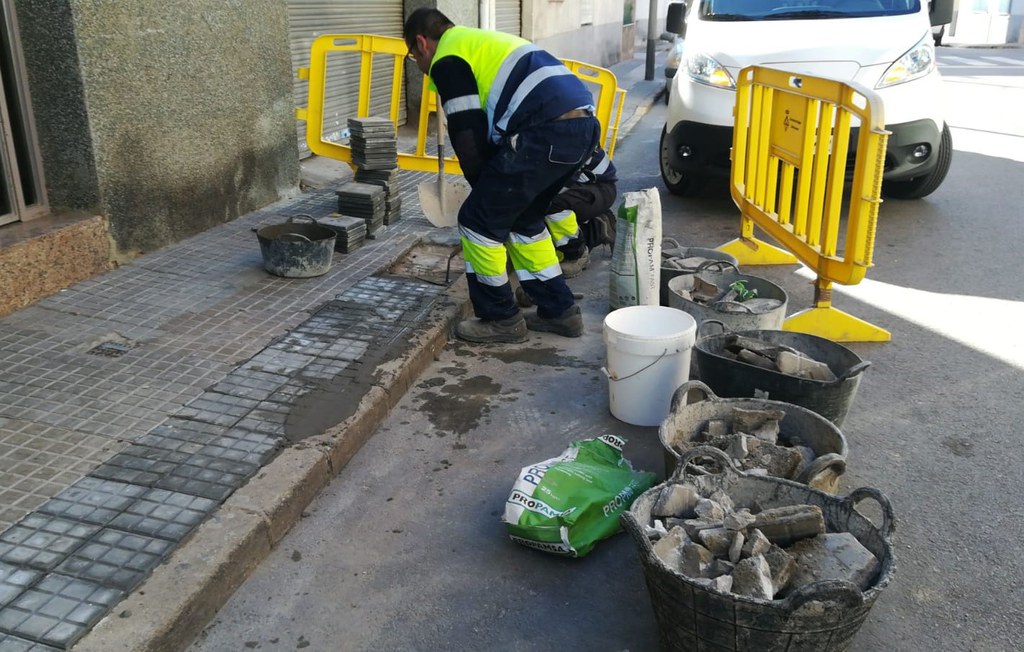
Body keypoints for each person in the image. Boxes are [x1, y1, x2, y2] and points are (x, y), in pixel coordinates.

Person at [404, 9, 601, 344]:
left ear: (422, 43)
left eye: (413, 56)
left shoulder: (448, 58)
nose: (418, 64)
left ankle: (501, 319)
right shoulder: (477, 42)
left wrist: (484, 196)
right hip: (581, 129)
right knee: (524, 220)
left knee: (477, 221)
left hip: (544, 133)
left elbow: (467, 133)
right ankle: (560, 312)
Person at [544, 145, 618, 279]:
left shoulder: (566, 136)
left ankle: (576, 255)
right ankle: (597, 227)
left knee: (550, 205)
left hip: (599, 186)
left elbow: (563, 178)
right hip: (586, 185)